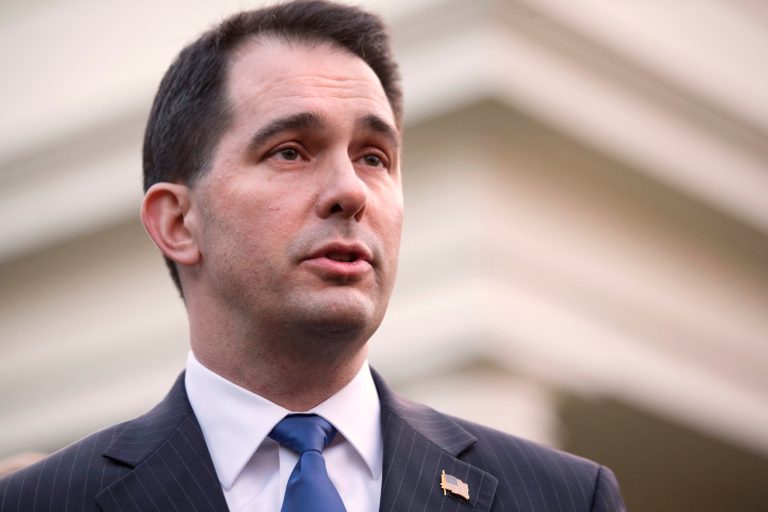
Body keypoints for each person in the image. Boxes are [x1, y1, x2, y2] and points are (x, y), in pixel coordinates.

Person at [0, 1, 626, 511]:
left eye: (374, 157)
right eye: (291, 151)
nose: (352, 191)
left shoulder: (565, 498)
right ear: (178, 222)